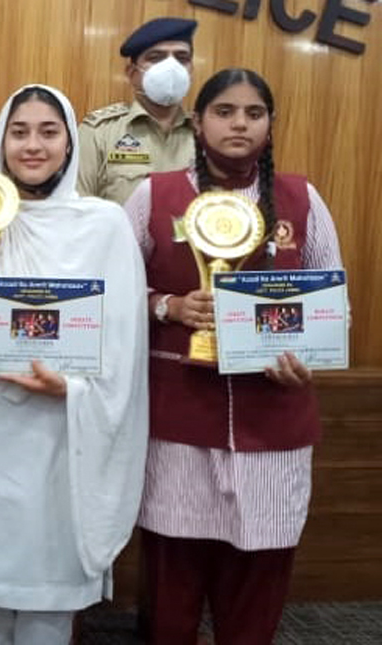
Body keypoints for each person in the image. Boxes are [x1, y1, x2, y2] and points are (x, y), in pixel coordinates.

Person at [125, 67, 345, 645]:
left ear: (270, 126)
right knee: (172, 600)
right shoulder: (153, 195)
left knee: (256, 596)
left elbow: (332, 305)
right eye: (225, 111)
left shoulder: (302, 199)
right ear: (198, 123)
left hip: (274, 427)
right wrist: (168, 307)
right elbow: (115, 291)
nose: (239, 124)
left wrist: (306, 358)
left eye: (253, 113)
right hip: (177, 423)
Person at [0, 84, 148, 645]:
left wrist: (71, 388)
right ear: (1, 140)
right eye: (19, 131)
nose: (33, 145)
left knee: (48, 606)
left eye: (48, 132)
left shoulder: (103, 223)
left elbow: (123, 341)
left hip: (59, 431)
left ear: (70, 142)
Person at [78, 17, 198, 206]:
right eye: (156, 58)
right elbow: (78, 210)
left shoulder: (205, 134)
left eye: (181, 58)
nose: (171, 67)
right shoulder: (99, 132)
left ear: (191, 70)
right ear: (132, 73)